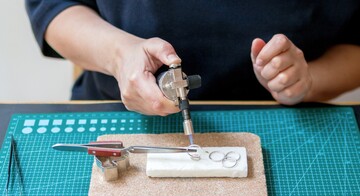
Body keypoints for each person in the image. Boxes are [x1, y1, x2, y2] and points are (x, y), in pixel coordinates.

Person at [26, 1, 360, 116]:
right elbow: (54, 7)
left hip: (288, 119)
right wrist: (120, 56)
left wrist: (309, 79)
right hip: (115, 110)